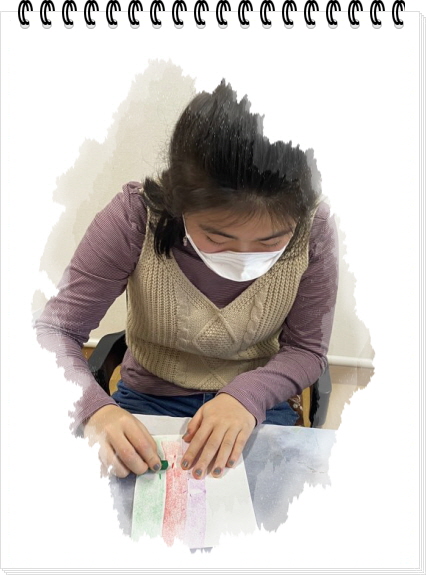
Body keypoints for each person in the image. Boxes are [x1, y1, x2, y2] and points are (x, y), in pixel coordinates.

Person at [36, 80, 338, 482]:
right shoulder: (135, 218)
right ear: (178, 203)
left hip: (257, 404)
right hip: (150, 398)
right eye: (217, 237)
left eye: (270, 242)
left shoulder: (315, 229)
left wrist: (246, 396)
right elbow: (54, 330)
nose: (244, 256)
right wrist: (95, 409)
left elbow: (306, 349)